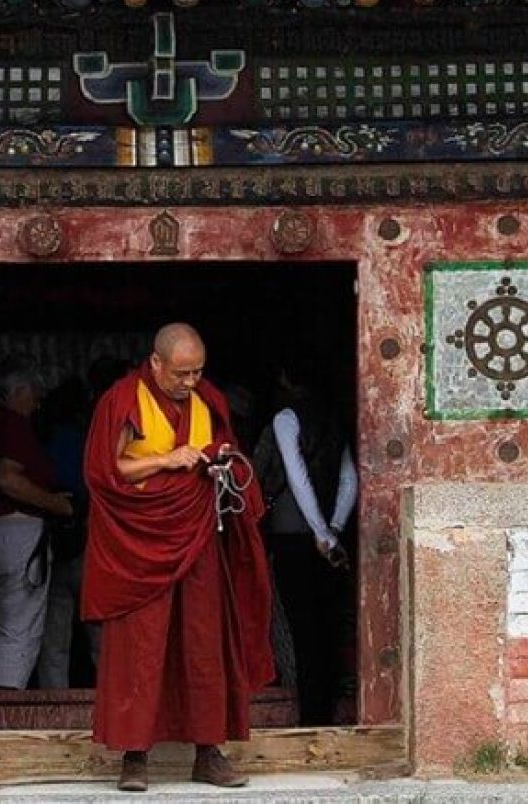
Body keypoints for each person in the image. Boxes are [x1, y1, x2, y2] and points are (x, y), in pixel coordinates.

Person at [81, 323, 273, 792]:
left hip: (199, 537)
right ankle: (134, 758)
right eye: (181, 373)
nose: (189, 383)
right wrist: (167, 460)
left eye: (197, 372)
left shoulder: (209, 400)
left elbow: (221, 453)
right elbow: (109, 470)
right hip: (140, 543)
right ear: (155, 363)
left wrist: (219, 464)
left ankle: (209, 752)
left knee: (203, 642)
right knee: (140, 647)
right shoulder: (124, 400)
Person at [253, 358, 358, 726]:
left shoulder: (285, 418)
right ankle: (324, 713)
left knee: (303, 628)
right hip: (329, 538)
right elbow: (348, 479)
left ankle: (311, 716)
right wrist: (335, 528)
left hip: (296, 537)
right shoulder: (333, 416)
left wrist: (319, 532)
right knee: (326, 624)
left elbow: (296, 477)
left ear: (284, 376)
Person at [0, 363, 74, 690]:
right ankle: (3, 704)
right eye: (34, 394)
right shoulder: (13, 424)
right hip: (16, 530)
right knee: (19, 624)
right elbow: (8, 478)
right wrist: (59, 505)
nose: (38, 403)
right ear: (17, 392)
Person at [36, 376, 100, 689]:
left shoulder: (44, 440)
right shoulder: (85, 442)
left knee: (54, 631)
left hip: (52, 538)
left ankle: (52, 696)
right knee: (98, 626)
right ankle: (111, 696)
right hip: (86, 539)